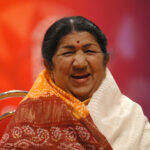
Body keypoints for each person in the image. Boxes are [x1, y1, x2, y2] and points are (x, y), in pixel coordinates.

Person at [0, 16, 149, 150]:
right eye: (68, 53)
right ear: (49, 65)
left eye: (89, 51)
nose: (80, 63)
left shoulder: (132, 116)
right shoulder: (29, 121)